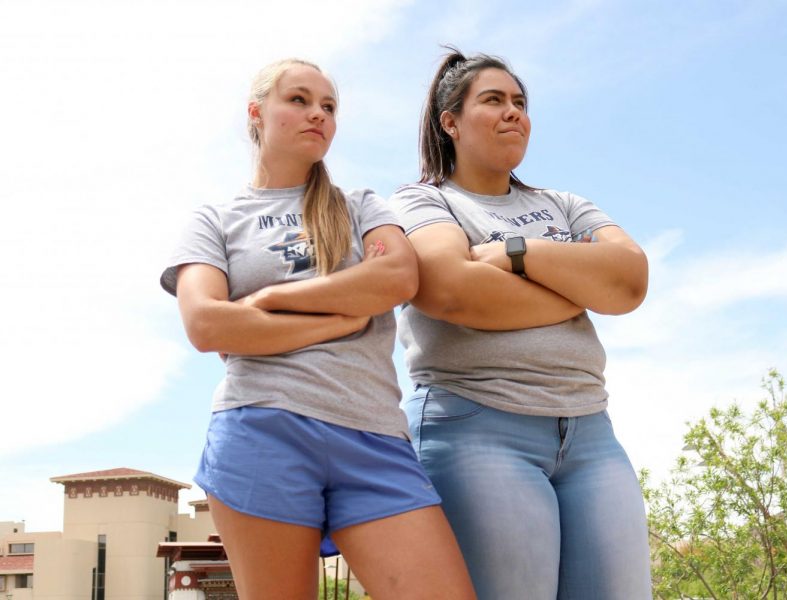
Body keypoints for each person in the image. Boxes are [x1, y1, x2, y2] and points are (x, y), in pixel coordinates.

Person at [160, 58, 475, 600]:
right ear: (256, 113)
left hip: (374, 435)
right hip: (261, 429)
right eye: (300, 100)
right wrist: (340, 317)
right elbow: (207, 323)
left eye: (329, 106)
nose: (318, 115)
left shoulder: (360, 206)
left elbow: (397, 276)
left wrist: (270, 300)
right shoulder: (214, 219)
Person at [389, 49, 653, 599]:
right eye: (494, 100)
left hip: (590, 434)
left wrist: (515, 253)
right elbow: (453, 292)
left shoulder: (564, 204)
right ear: (451, 122)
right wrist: (577, 287)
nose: (513, 112)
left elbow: (629, 282)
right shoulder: (421, 201)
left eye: (520, 102)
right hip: (476, 426)